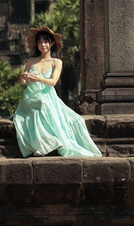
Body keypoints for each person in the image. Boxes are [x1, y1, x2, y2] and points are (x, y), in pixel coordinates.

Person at [12, 26, 102, 158]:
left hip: (49, 96)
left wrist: (40, 78)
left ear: (52, 43)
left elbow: (53, 82)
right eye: (39, 42)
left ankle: (47, 145)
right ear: (36, 45)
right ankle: (40, 146)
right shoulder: (31, 61)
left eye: (46, 41)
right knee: (38, 107)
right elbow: (23, 83)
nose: (43, 45)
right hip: (31, 96)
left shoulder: (56, 62)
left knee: (73, 118)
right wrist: (22, 77)